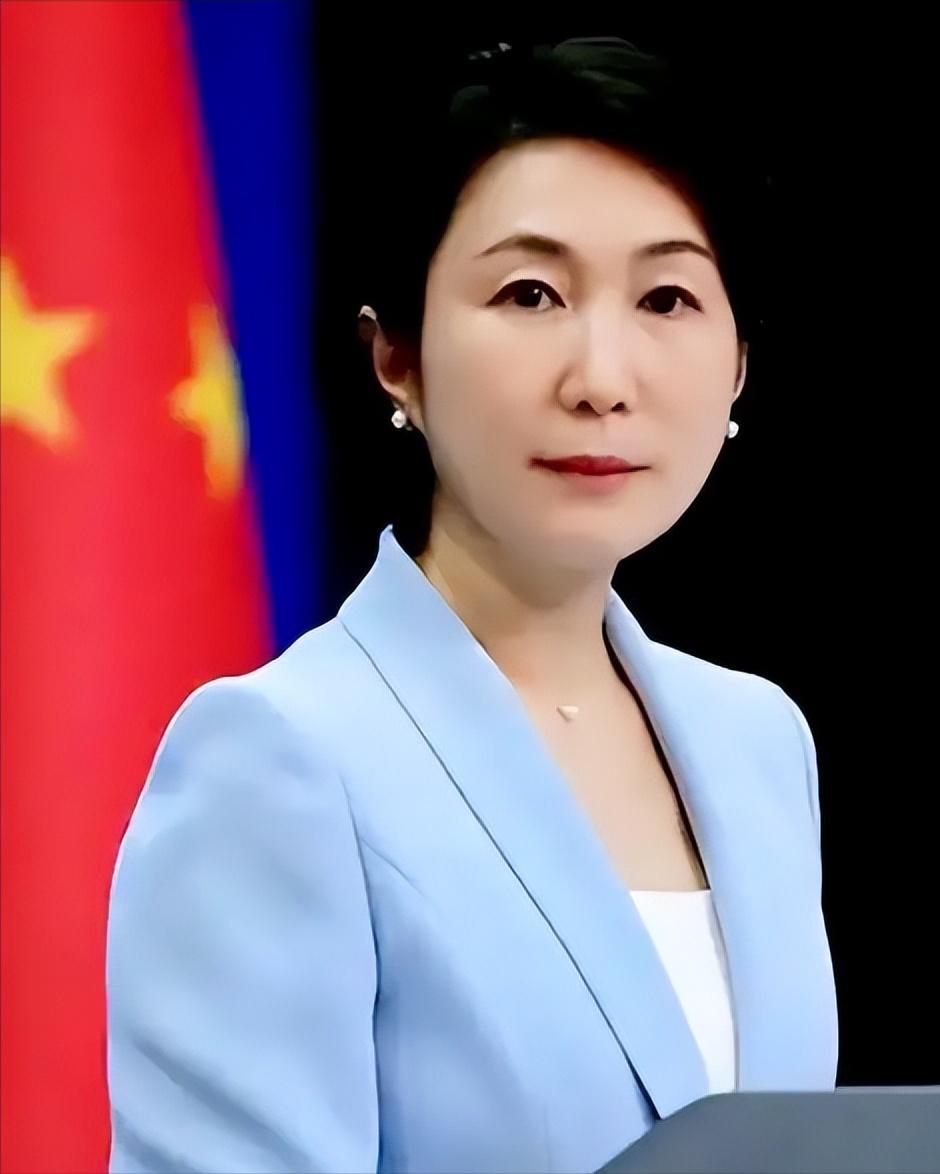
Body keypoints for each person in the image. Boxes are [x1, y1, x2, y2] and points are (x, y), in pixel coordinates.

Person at [106, 36, 838, 1174]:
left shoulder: (759, 741)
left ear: (737, 362)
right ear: (396, 354)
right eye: (529, 293)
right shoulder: (281, 755)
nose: (602, 379)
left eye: (667, 297)